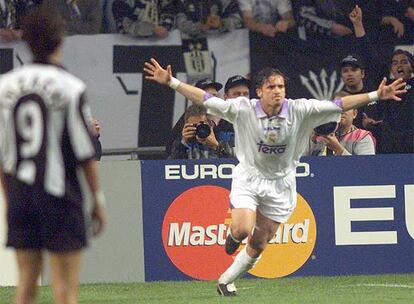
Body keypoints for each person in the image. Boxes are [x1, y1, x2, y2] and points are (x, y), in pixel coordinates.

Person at [144, 58, 406, 296]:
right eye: (271, 87)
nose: (278, 91)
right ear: (260, 91)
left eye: (281, 86)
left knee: (259, 242)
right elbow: (206, 98)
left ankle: (226, 280)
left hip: (282, 183)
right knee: (243, 229)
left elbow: (339, 104)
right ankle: (234, 236)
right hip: (249, 176)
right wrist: (172, 81)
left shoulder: (301, 109)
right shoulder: (243, 108)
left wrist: (375, 95)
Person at [0, 8, 107, 304]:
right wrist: (98, 201)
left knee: (25, 286)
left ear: (25, 41)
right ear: (60, 41)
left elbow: (4, 152)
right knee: (64, 292)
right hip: (60, 195)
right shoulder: (70, 87)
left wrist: (10, 200)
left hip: (21, 193)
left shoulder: (5, 87)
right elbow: (85, 154)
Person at [380, 49, 414, 154]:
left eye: (404, 62)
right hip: (390, 149)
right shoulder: (385, 90)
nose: (399, 66)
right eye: (395, 63)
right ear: (391, 69)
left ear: (412, 67)